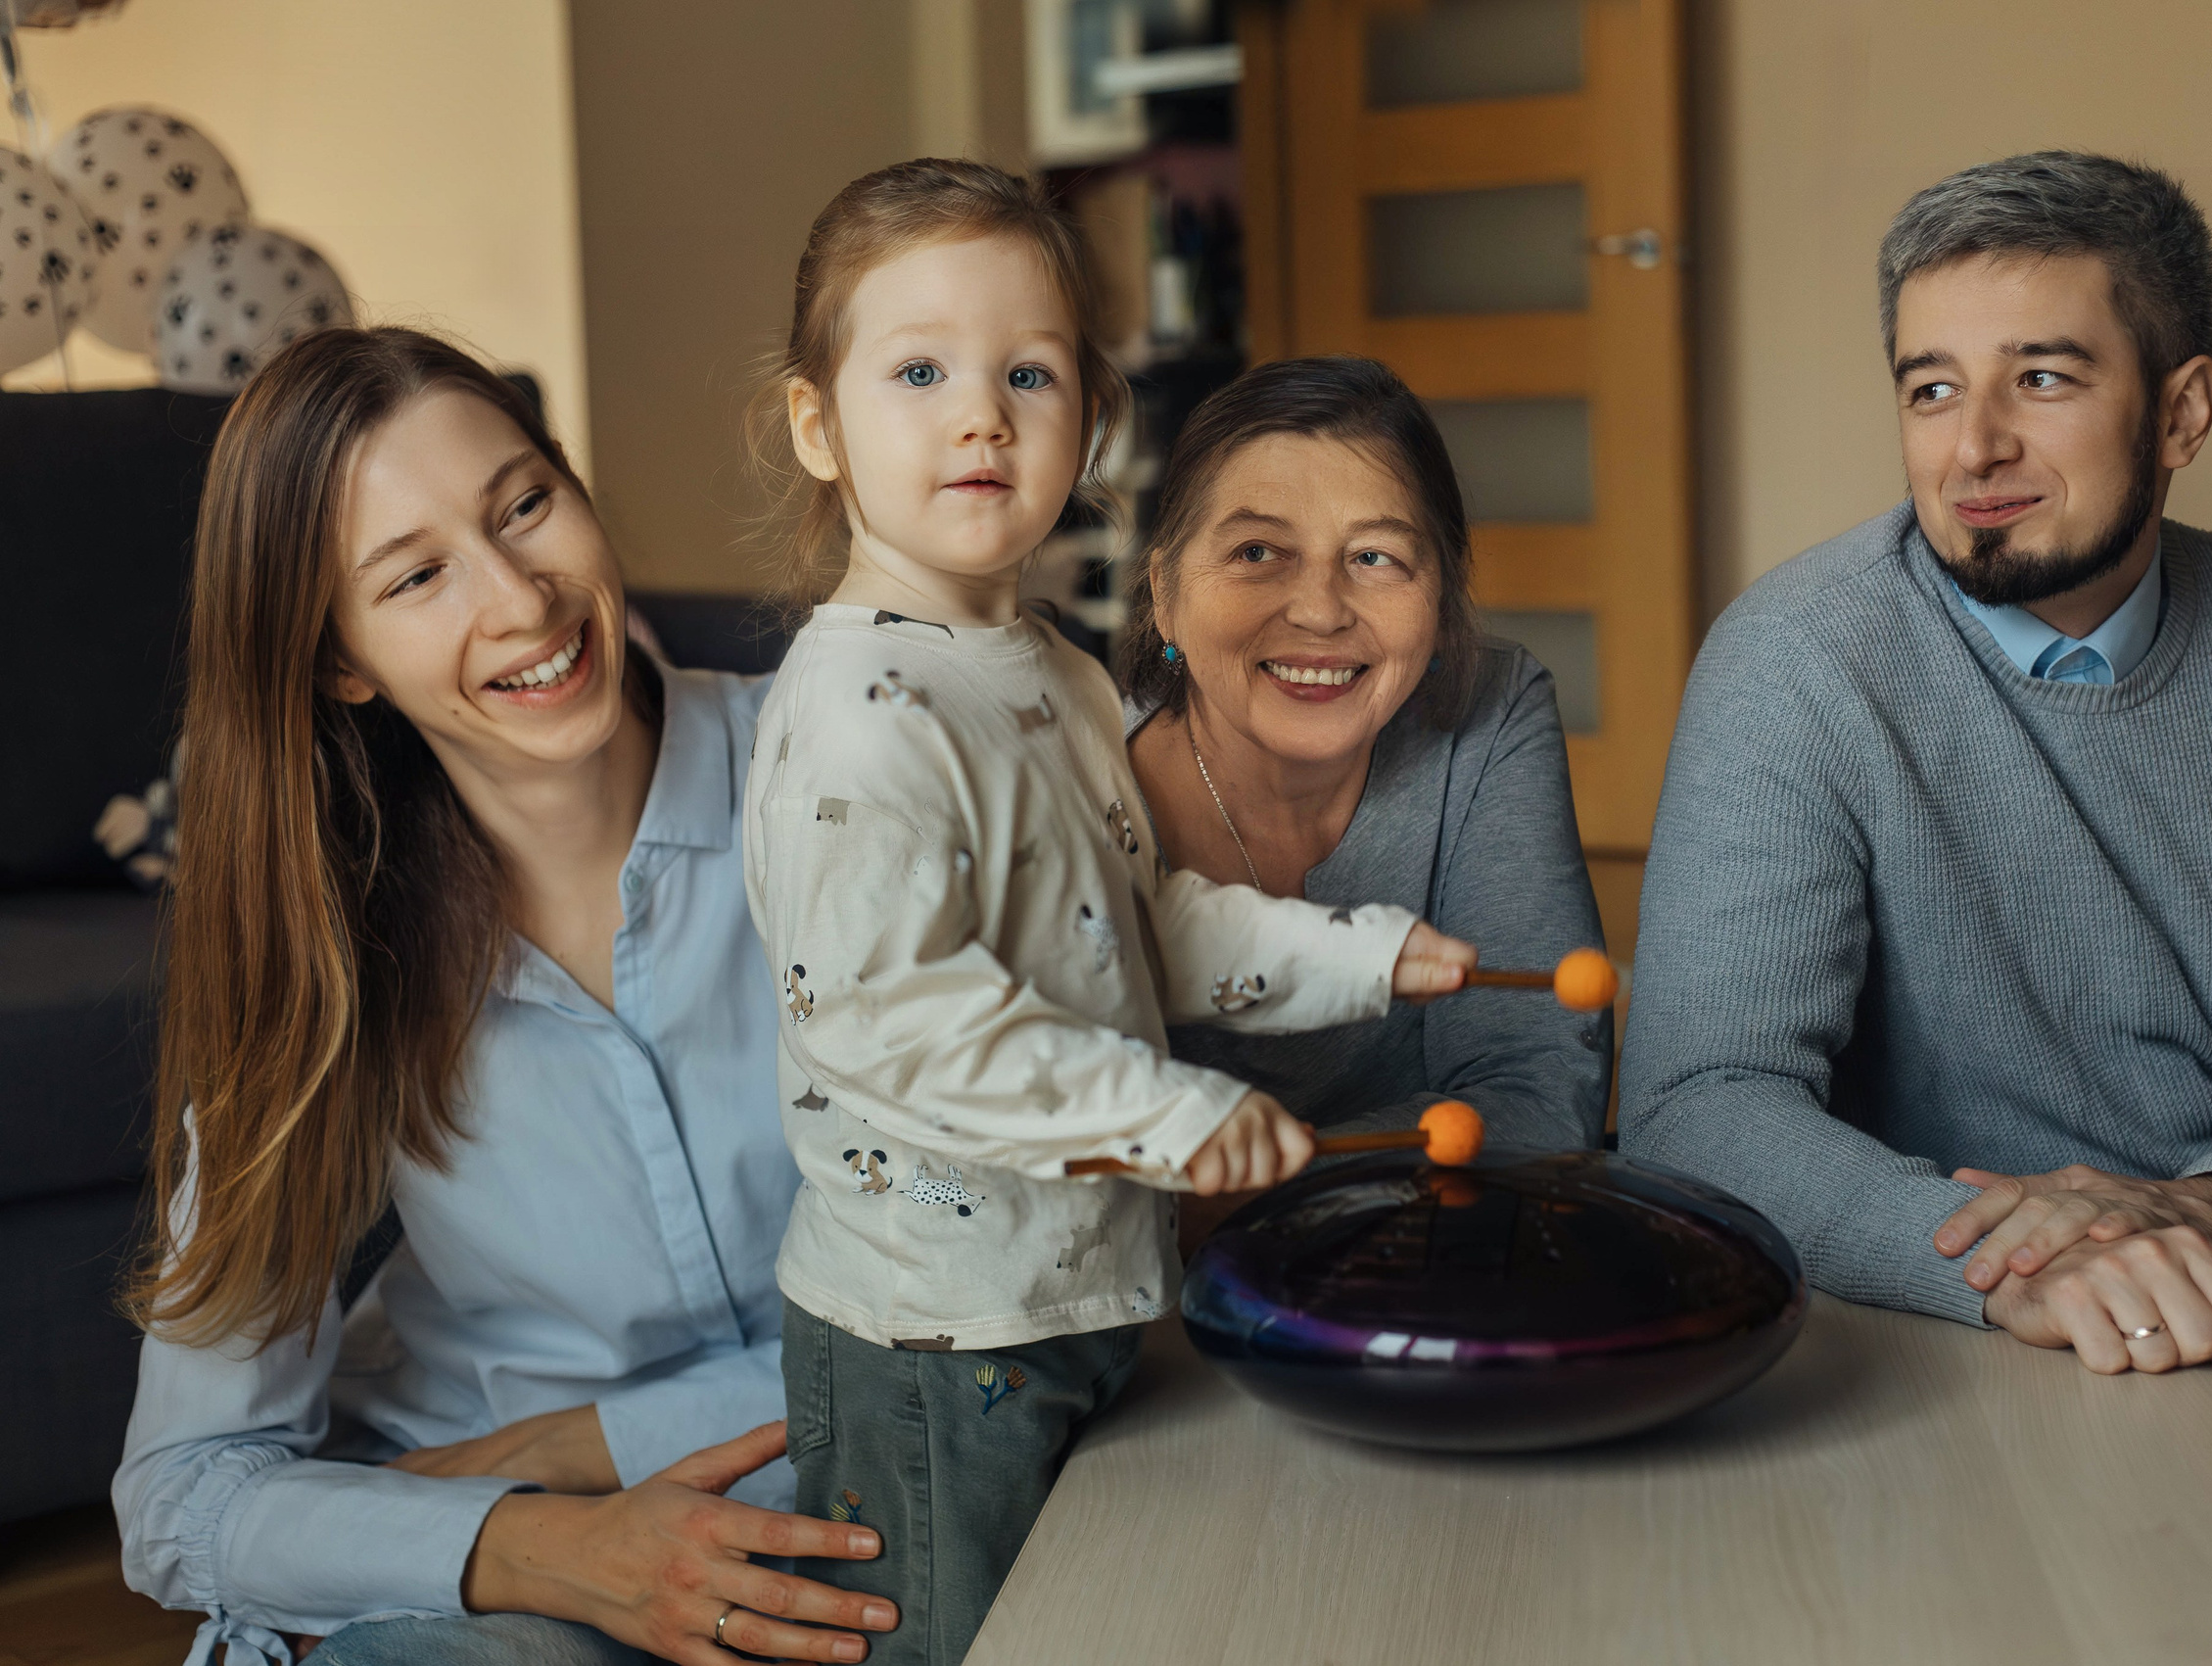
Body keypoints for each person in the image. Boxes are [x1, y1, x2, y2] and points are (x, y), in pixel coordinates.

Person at [749, 160, 1477, 1666]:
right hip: (932, 1338)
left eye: (1031, 372)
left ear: (1090, 414)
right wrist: (1169, 1112)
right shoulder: (860, 718)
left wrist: (1357, 955)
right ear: (818, 424)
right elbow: (905, 1025)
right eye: (921, 371)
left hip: (1067, 1284)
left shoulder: (1056, 672)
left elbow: (1139, 929)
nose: (983, 415)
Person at [1621, 151, 2212, 1374]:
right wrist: (2014, 1264)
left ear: (2182, 411)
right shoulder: (1794, 660)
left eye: (2039, 377)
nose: (1973, 447)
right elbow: (1699, 1103)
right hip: (1922, 1314)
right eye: (1929, 389)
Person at [115, 327, 896, 1665]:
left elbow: (1011, 1255)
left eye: (525, 505)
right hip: (483, 1553)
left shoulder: (863, 776)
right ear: (341, 662)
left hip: (862, 1480)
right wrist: (542, 1537)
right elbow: (184, 1495)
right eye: (417, 576)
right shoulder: (329, 956)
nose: (523, 602)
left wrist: (581, 1449)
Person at [1116, 356, 1610, 1152]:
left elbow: (1537, 1090)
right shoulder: (1059, 776)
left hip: (1412, 1258)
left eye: (1375, 557)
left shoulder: (1495, 708)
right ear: (1165, 593)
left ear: (1442, 600)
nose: (1318, 611)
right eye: (1255, 552)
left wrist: (1268, 1189)